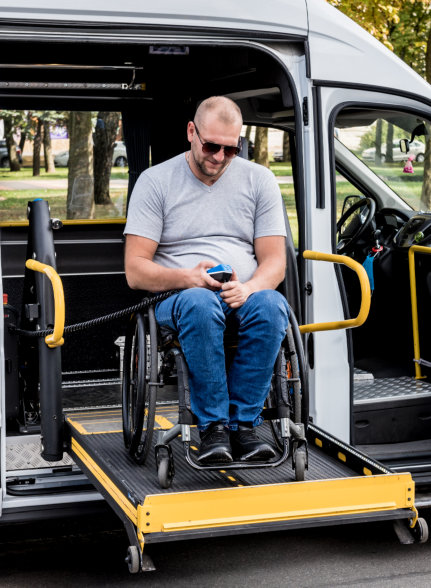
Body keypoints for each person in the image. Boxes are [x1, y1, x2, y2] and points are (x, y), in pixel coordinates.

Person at [124, 96, 290, 464]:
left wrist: (248, 287)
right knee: (200, 305)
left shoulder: (259, 179)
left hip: (241, 292)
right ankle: (213, 427)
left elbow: (275, 264)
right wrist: (188, 278)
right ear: (190, 132)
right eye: (211, 145)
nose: (218, 157)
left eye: (231, 149)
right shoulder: (156, 182)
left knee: (272, 305)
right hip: (180, 298)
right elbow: (135, 270)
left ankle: (244, 426)